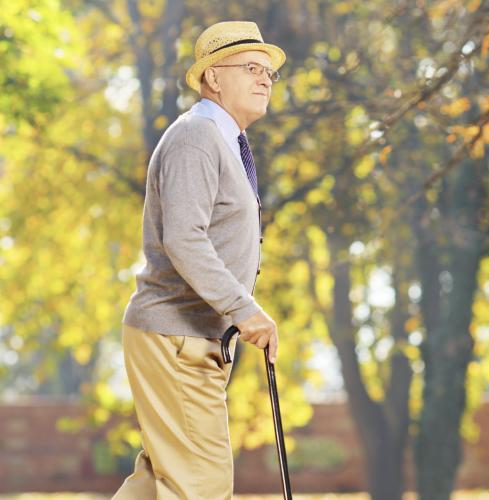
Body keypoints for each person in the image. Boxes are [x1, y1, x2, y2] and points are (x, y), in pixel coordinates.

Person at [112, 21, 285, 500]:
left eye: (268, 71)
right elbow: (184, 239)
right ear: (213, 77)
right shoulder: (197, 138)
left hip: (192, 335)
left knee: (158, 483)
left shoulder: (222, 140)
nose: (265, 79)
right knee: (202, 485)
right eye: (251, 67)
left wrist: (234, 312)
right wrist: (244, 308)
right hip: (176, 334)